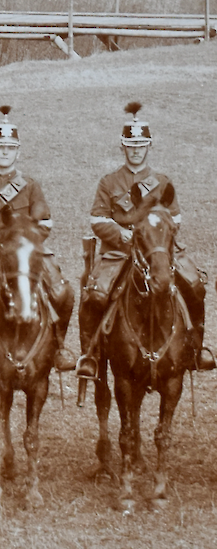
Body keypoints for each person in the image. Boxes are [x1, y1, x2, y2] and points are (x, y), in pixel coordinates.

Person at [76, 102, 215, 379]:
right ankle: (90, 355)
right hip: (118, 253)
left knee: (195, 286)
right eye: (131, 144)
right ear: (122, 147)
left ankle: (196, 349)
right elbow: (98, 220)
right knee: (95, 295)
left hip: (158, 253)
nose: (136, 149)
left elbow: (175, 219)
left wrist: (155, 237)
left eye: (141, 144)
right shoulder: (109, 182)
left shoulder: (162, 182)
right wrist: (123, 235)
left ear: (149, 146)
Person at [0, 106, 76, 383]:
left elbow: (45, 223)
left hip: (23, 254)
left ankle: (59, 347)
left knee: (61, 292)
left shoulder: (30, 186)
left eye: (10, 147)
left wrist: (24, 240)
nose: (4, 152)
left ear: (17, 151)